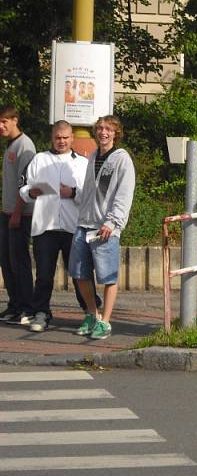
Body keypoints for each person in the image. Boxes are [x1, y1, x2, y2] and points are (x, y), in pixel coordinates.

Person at [19, 121, 100, 332]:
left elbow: (91, 196)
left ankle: (91, 312)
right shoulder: (39, 160)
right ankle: (41, 313)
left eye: (65, 138)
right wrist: (31, 192)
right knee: (44, 275)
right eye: (58, 138)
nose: (62, 141)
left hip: (74, 227)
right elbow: (24, 188)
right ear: (52, 138)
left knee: (80, 274)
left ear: (72, 138)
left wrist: (73, 193)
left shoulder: (82, 163)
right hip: (45, 227)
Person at [68, 115, 136, 340]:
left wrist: (113, 221)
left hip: (106, 227)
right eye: (99, 128)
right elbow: (90, 190)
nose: (103, 132)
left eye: (108, 129)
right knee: (79, 273)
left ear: (116, 133)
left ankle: (105, 322)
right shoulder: (94, 155)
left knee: (108, 276)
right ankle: (92, 313)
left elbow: (124, 194)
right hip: (84, 223)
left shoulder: (121, 159)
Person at [0, 105, 36, 324]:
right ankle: (14, 304)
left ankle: (26, 306)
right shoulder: (10, 145)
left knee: (19, 261)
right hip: (7, 212)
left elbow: (26, 183)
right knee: (6, 260)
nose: (1, 126)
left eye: (4, 121)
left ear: (15, 120)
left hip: (20, 214)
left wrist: (17, 213)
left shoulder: (25, 146)